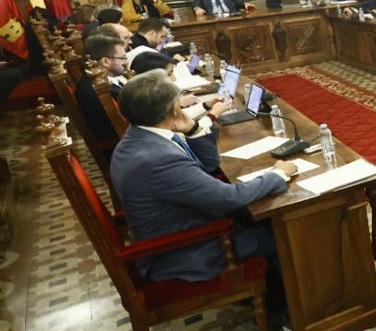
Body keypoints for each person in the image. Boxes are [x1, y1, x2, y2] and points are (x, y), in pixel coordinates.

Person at [110, 70, 295, 284]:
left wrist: (194, 129)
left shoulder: (137, 138)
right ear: (173, 109)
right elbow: (229, 198)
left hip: (184, 226)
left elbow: (207, 165)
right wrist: (278, 173)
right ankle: (288, 301)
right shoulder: (157, 159)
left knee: (259, 215)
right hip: (188, 249)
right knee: (284, 232)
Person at [75, 33, 129, 145]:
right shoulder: (101, 88)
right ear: (105, 62)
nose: (126, 62)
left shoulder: (92, 79)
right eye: (123, 58)